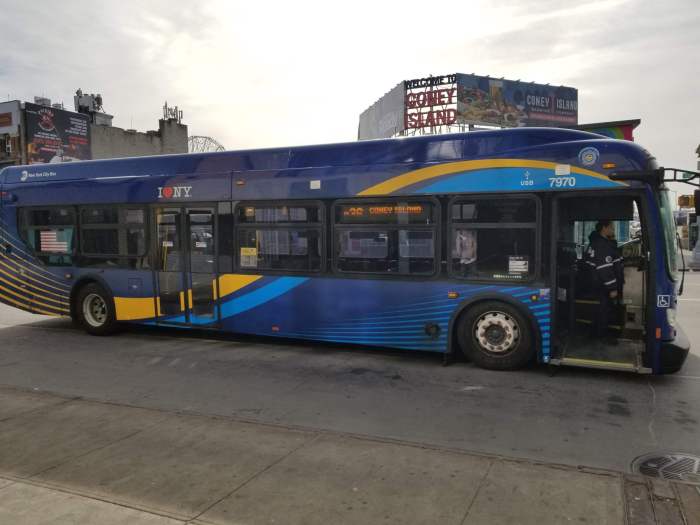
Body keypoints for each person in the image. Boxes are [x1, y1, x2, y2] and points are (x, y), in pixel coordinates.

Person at [584, 221, 624, 341]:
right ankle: (601, 336)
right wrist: (612, 288)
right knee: (604, 310)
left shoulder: (598, 243)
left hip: (598, 283)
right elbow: (604, 268)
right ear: (604, 228)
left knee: (601, 309)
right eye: (611, 227)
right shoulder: (602, 245)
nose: (613, 230)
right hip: (603, 285)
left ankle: (594, 333)